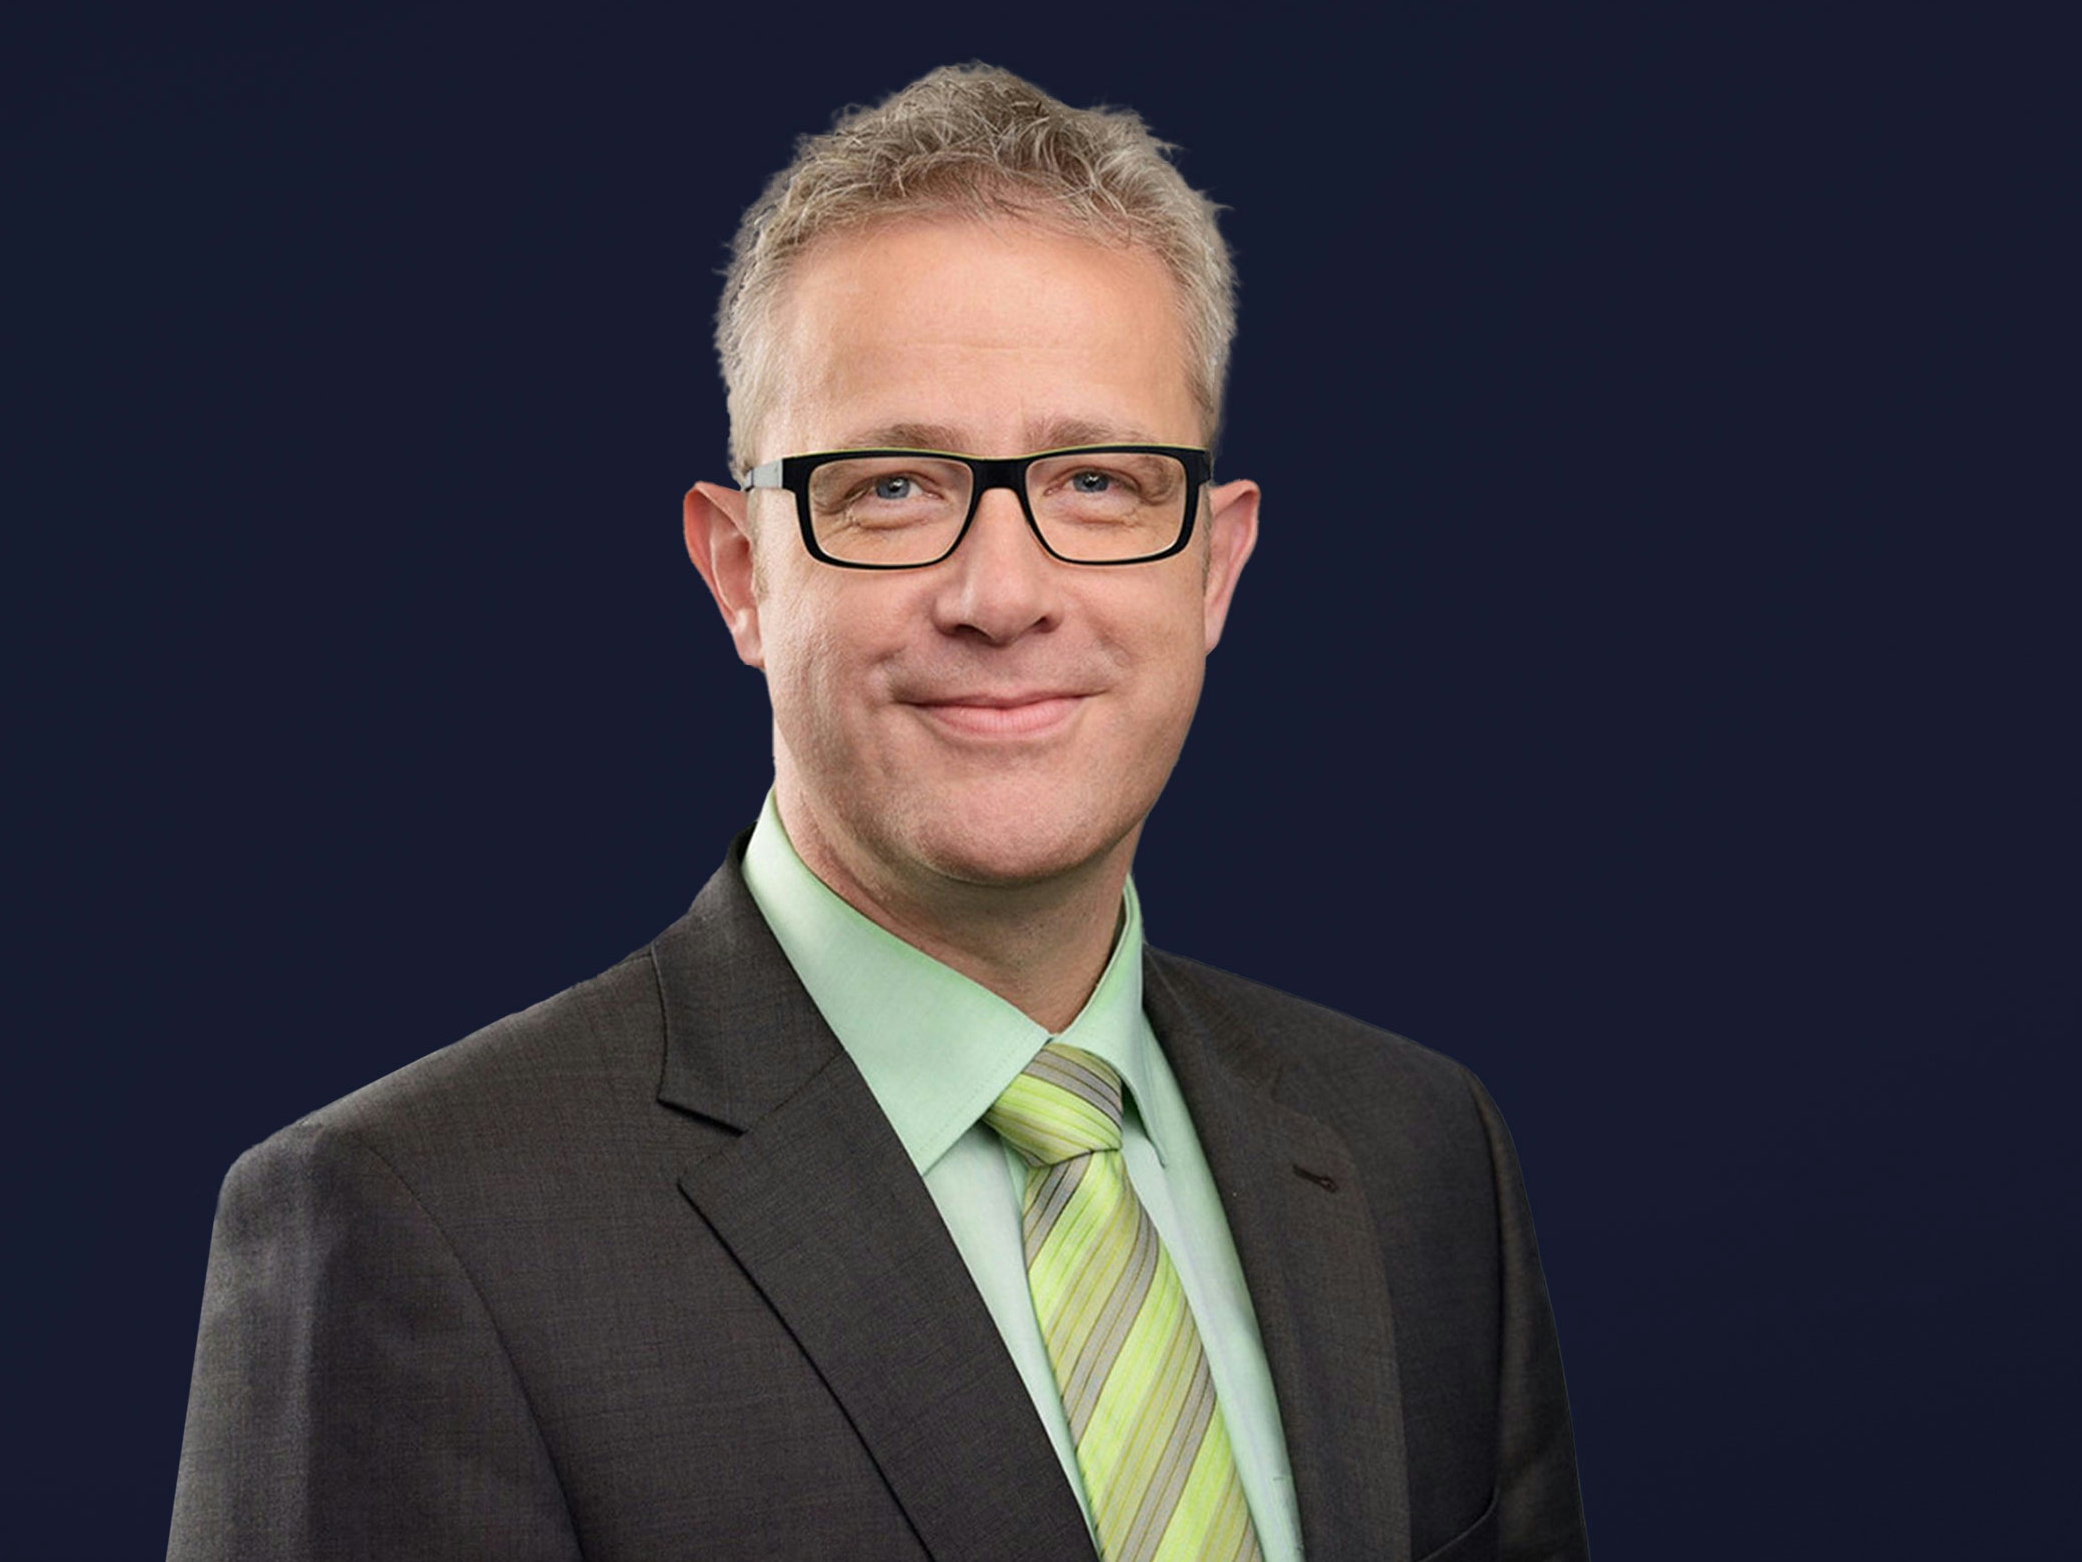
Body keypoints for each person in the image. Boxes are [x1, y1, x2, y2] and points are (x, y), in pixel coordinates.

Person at [167, 64, 1588, 1562]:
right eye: (893, 488)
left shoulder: (1416, 1156)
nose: (1000, 595)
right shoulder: (416, 1226)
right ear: (739, 574)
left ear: (1214, 566)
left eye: (1097, 481)